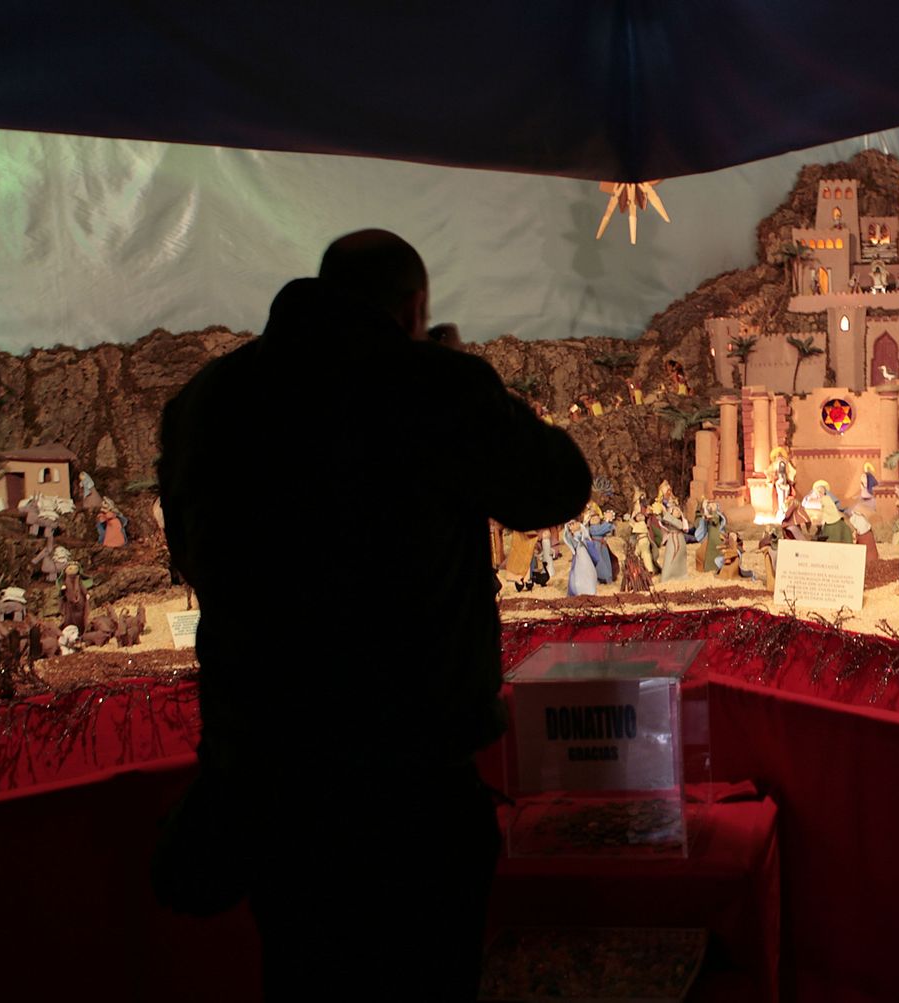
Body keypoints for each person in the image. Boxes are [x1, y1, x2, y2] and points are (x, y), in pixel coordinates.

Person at [153, 230, 591, 1001]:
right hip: (409, 781)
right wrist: (457, 374)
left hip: (271, 778)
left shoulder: (207, 400)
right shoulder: (429, 388)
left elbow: (189, 552)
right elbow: (558, 485)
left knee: (303, 973)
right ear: (414, 305)